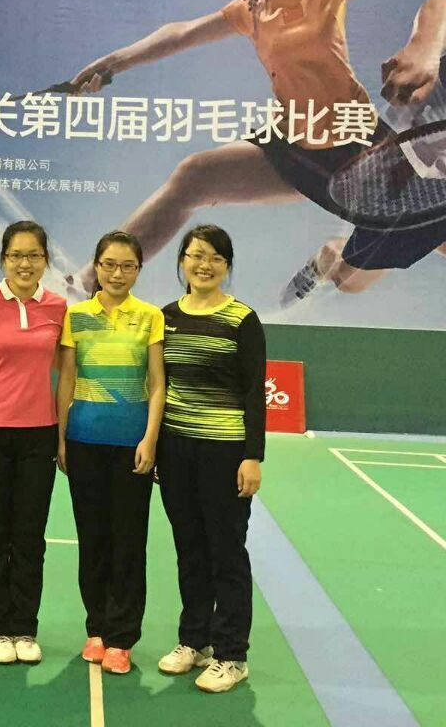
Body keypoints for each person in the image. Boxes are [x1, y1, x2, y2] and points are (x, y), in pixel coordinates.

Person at [67, 0, 446, 301]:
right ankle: (88, 286)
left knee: (391, 256)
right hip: (289, 142)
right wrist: (115, 61)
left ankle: (330, 259)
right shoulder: (253, 8)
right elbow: (182, 32)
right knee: (193, 176)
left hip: (352, 148)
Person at [283, 0, 446, 299]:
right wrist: (424, 45)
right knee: (350, 281)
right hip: (417, 170)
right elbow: (440, 4)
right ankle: (330, 256)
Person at [156, 224, 266, 694]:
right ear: (182, 260)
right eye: (196, 255)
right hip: (176, 449)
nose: (204, 265)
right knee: (190, 549)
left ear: (226, 266)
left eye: (215, 258)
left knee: (226, 551)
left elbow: (254, 392)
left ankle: (232, 654)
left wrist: (252, 456)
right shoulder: (166, 317)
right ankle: (194, 640)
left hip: (225, 451)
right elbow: (159, 385)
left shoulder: (242, 319)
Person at [56, 231, 165, 675]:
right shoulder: (76, 316)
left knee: (129, 541)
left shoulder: (150, 317)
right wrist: (62, 438)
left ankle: (122, 636)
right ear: (96, 266)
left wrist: (150, 440)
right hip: (84, 441)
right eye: (109, 265)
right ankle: (97, 629)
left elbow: (157, 383)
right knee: (93, 539)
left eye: (127, 266)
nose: (117, 274)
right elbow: (66, 379)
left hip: (131, 446)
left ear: (138, 270)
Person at [0, 221, 66, 665]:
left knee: (29, 535)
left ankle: (24, 626)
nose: (25, 264)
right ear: (3, 259)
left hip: (38, 434)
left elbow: (65, 370)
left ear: (45, 260)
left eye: (34, 256)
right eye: (16, 256)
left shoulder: (58, 307)